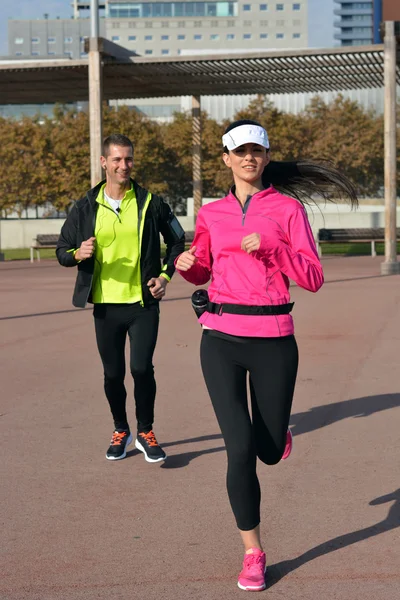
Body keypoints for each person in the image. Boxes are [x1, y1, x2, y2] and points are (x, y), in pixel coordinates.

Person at [175, 119, 357, 591]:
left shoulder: (287, 210)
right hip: (220, 338)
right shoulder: (212, 212)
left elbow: (313, 277)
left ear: (267, 156)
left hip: (274, 338)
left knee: (268, 451)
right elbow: (201, 269)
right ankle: (253, 552)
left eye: (257, 151)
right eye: (240, 151)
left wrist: (275, 247)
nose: (249, 158)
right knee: (239, 451)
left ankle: (278, 437)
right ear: (226, 159)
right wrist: (188, 267)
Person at [56, 134, 185, 463]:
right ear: (104, 162)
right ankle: (120, 430)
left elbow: (177, 240)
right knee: (113, 374)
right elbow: (62, 251)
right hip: (105, 305)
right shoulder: (86, 206)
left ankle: (145, 431)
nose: (123, 165)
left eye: (128, 159)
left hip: (143, 303)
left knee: (141, 368)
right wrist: (78, 253)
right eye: (116, 159)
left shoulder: (149, 202)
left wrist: (165, 277)